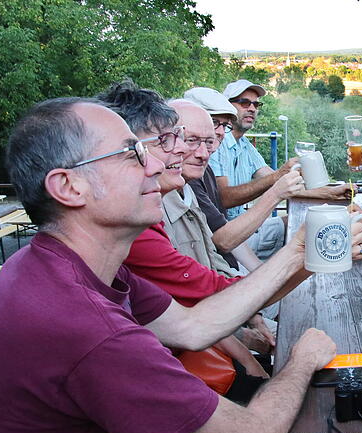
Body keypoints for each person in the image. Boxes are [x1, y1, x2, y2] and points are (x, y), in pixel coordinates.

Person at [0, 97, 362, 433]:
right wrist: (301, 361)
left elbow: (193, 325)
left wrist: (298, 252)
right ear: (69, 187)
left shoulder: (65, 265)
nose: (156, 164)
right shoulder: (87, 327)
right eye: (131, 154)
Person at [96, 81, 275, 401]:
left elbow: (189, 315)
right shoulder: (134, 228)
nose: (202, 148)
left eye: (218, 131)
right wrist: (305, 253)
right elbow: (205, 292)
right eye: (170, 140)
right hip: (178, 375)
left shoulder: (172, 198)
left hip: (201, 345)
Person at [210, 79, 353, 259]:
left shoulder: (245, 145)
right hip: (230, 238)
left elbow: (277, 181)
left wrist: (329, 193)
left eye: (256, 104)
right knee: (312, 237)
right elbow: (224, 198)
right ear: (228, 107)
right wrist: (279, 175)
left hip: (246, 230)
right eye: (244, 103)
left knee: (308, 224)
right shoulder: (216, 143)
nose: (252, 109)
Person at [183, 87, 301, 273]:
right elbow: (223, 238)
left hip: (230, 249)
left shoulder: (208, 167)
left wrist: (327, 193)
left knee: (300, 227)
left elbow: (274, 177)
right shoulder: (186, 174)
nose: (219, 133)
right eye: (244, 103)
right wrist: (276, 192)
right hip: (220, 258)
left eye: (225, 125)